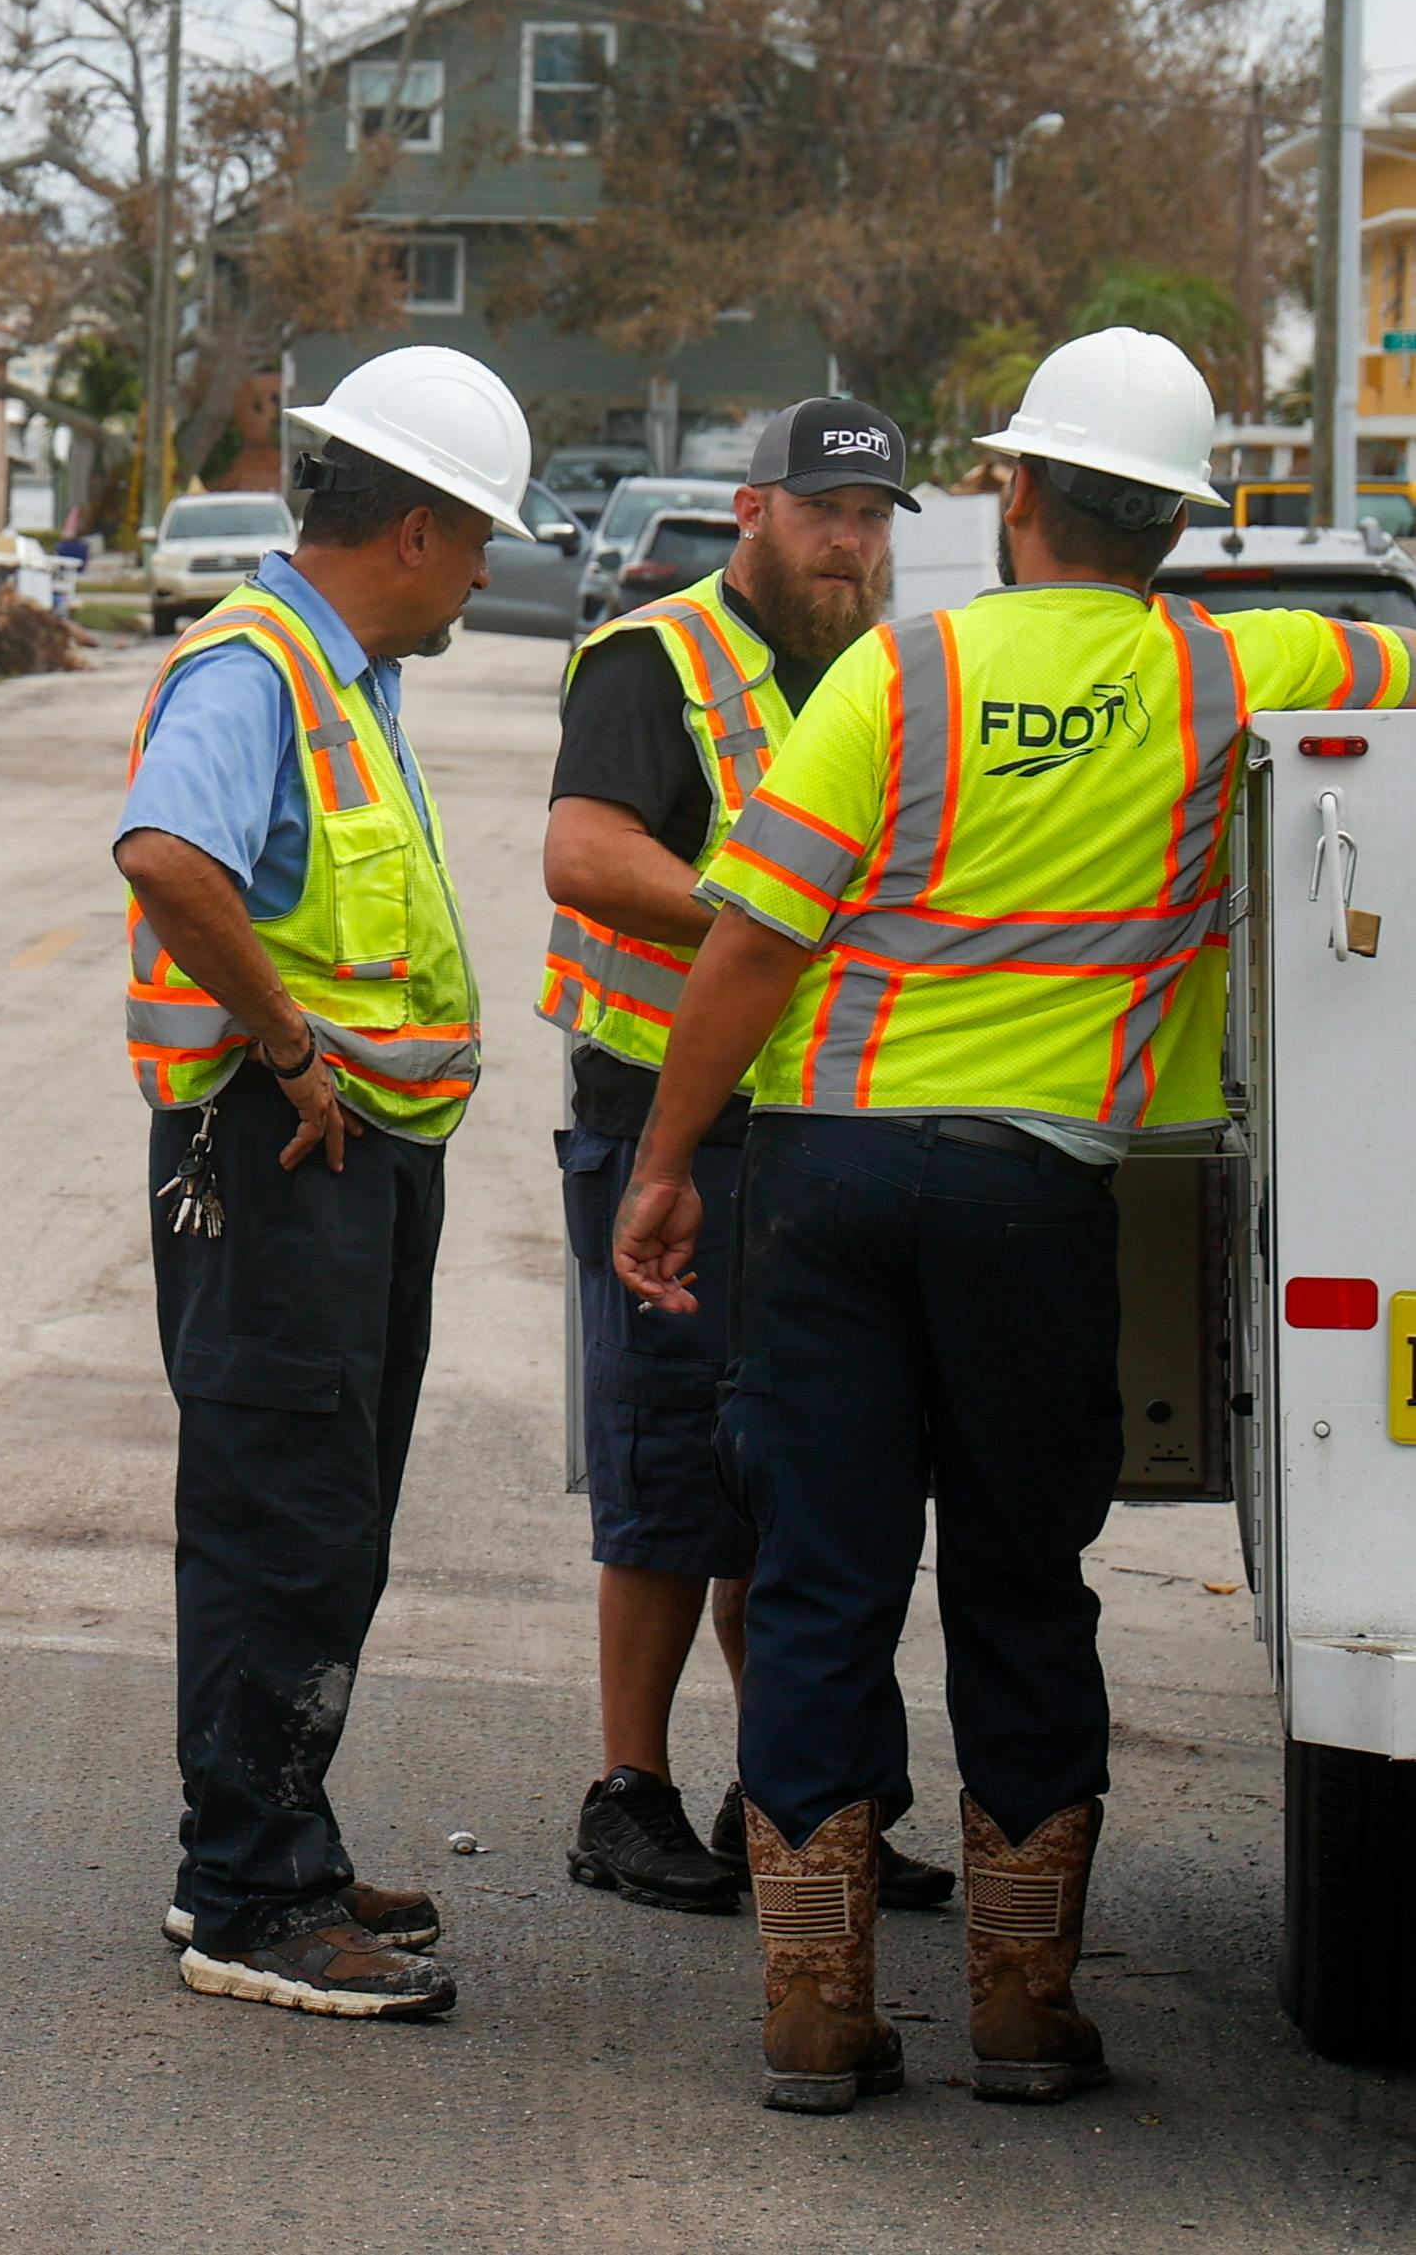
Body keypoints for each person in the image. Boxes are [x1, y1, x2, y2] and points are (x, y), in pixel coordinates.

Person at [613, 328, 1416, 2112]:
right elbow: (1396, 664)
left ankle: (816, 2007)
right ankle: (1022, 2003)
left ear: (1014, 486)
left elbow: (751, 933)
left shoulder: (900, 672)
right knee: (1018, 1584)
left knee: (819, 1575)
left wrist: (668, 1158)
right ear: (1182, 523)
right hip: (1038, 1198)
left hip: (827, 1180)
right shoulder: (1233, 672)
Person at [113, 341, 536, 2022]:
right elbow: (165, 856)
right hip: (277, 1158)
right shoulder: (258, 667)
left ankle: (266, 1831)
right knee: (279, 1517)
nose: (491, 570)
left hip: (351, 1166)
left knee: (324, 1516)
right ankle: (249, 1896)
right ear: (416, 530)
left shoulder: (343, 670)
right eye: (481, 536)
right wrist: (285, 1043)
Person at [535, 399, 951, 1919]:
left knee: (807, 1474)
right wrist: (745, 907)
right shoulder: (658, 658)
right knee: (667, 1467)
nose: (853, 541)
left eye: (874, 516)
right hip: (666, 1121)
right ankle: (625, 1791)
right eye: (826, 510)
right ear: (753, 513)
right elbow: (581, 852)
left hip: (829, 1120)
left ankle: (799, 1792)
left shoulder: (893, 675)